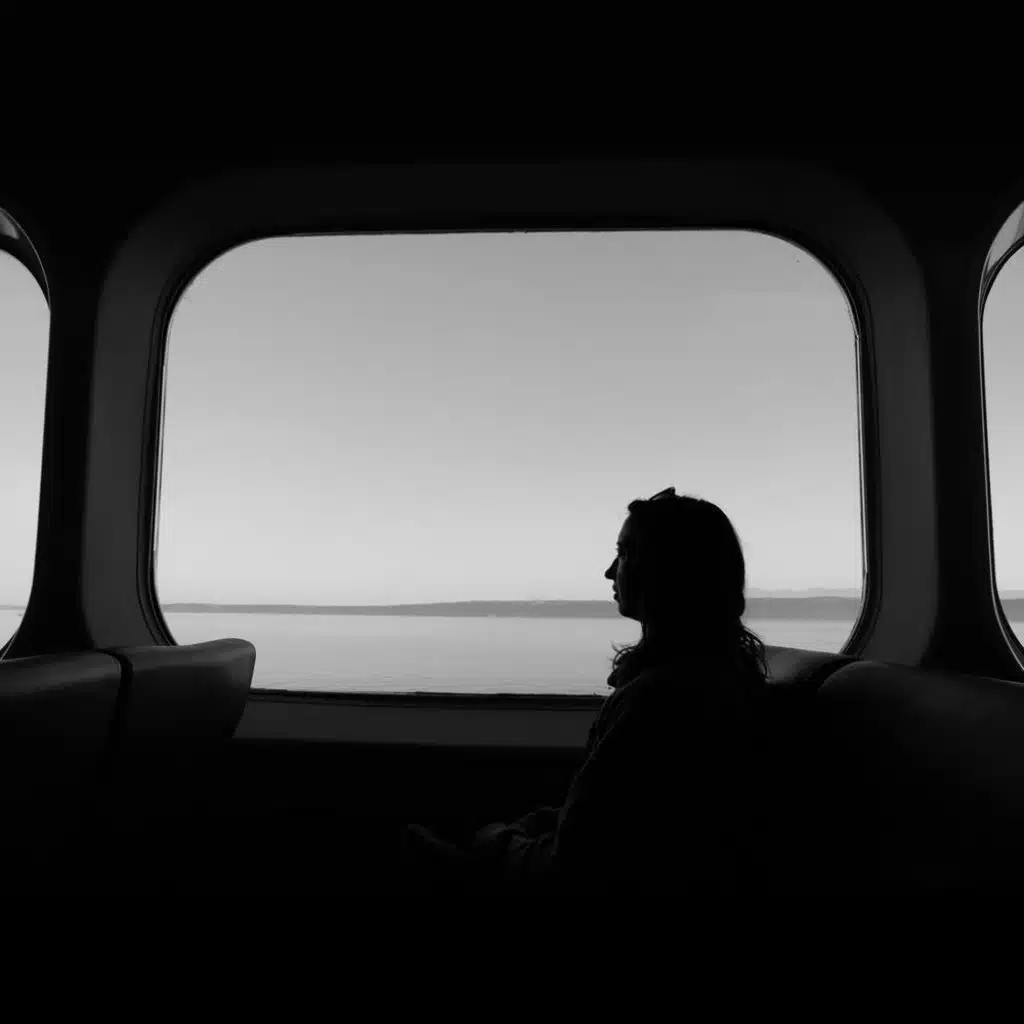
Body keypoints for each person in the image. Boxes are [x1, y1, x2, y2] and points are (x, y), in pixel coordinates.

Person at [404, 488, 770, 907]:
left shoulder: (660, 702)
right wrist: (535, 826)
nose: (609, 571)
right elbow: (608, 821)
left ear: (668, 571)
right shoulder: (715, 676)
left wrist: (496, 843)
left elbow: (573, 868)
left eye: (625, 553)